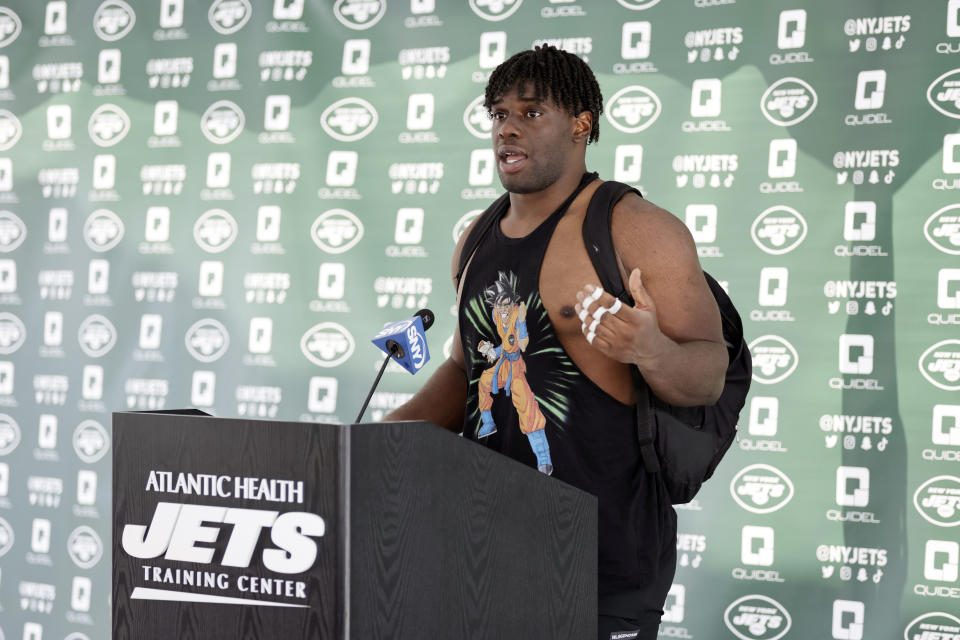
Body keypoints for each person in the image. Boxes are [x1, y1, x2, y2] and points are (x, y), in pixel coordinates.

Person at [385, 45, 727, 640]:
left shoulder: (637, 229)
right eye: (497, 114)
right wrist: (368, 448)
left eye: (531, 111)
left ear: (581, 124)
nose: (507, 127)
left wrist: (652, 351)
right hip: (483, 549)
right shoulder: (475, 239)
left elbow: (708, 372)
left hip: (603, 560)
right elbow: (468, 371)